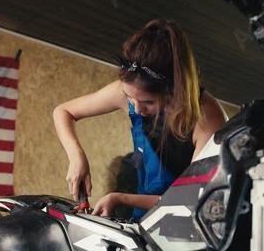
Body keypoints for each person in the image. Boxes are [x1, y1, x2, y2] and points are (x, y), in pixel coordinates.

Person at [53, 19, 227, 218]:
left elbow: (191, 198)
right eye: (129, 98)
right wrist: (76, 157)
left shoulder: (207, 118)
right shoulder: (131, 95)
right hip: (144, 215)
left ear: (173, 90)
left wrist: (120, 198)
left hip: (189, 221)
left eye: (148, 102)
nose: (136, 108)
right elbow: (63, 112)